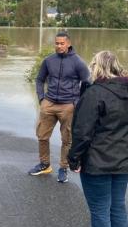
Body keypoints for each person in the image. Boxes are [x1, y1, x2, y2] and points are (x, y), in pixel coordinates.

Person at [68, 51, 128, 227]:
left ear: (96, 67)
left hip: (98, 162)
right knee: (117, 208)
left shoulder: (94, 93)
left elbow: (82, 131)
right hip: (124, 160)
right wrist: (123, 138)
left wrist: (74, 158)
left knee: (100, 211)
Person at [29, 31, 90, 183]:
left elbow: (87, 83)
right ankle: (45, 164)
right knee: (42, 135)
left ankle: (63, 168)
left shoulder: (78, 62)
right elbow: (39, 79)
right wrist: (41, 98)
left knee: (67, 139)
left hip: (68, 105)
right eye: (57, 43)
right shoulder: (49, 60)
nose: (59, 46)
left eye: (62, 43)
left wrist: (77, 102)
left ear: (68, 44)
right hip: (48, 103)